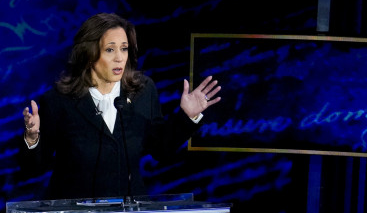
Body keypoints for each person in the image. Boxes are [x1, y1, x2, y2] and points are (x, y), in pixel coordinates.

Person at [18, 13, 222, 200]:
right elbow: (33, 168)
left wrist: (186, 117)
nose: (119, 57)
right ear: (89, 54)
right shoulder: (58, 100)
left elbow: (160, 149)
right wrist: (32, 137)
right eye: (110, 49)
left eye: (124, 48)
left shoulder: (142, 91)